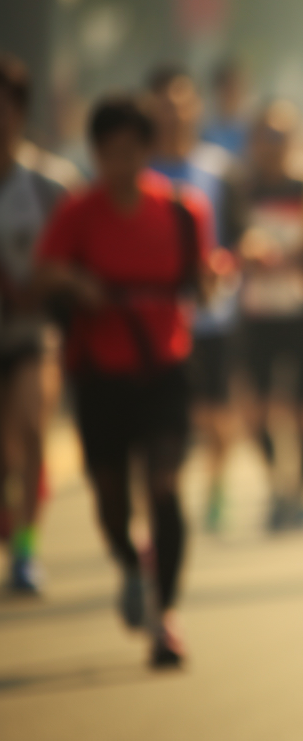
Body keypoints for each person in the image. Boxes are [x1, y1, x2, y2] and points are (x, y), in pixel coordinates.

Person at [35, 95, 213, 667]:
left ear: (146, 150)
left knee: (164, 485)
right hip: (100, 374)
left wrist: (221, 274)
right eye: (109, 154)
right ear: (94, 154)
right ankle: (129, 560)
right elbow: (42, 274)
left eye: (131, 152)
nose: (120, 164)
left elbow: (203, 284)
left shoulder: (183, 211)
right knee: (110, 496)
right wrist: (73, 282)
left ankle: (166, 618)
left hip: (165, 369)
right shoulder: (77, 214)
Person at [147, 65, 241, 530]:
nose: (172, 113)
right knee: (167, 421)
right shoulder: (136, 169)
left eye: (181, 102)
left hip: (213, 316)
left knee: (215, 414)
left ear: (195, 106)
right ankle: (165, 500)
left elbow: (237, 237)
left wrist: (228, 265)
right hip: (155, 321)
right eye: (163, 103)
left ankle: (217, 486)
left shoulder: (218, 170)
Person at [235, 100, 303, 531]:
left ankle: (302, 492)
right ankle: (275, 486)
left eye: (282, 137)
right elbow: (224, 240)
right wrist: (244, 250)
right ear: (253, 142)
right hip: (255, 315)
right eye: (266, 137)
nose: (274, 146)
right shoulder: (240, 188)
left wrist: (301, 254)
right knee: (256, 411)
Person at [0, 53, 66, 594]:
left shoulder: (49, 186)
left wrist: (42, 287)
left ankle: (26, 548)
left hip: (31, 334)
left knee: (29, 424)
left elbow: (78, 258)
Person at [201, 58, 249, 157]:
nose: (232, 93)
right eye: (227, 88)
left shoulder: (250, 127)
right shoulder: (204, 126)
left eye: (236, 87)